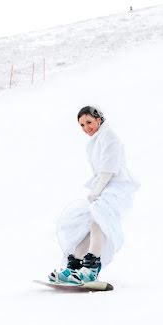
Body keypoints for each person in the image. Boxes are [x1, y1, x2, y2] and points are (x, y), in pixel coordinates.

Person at [49, 106, 139, 284]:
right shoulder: (97, 139)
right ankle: (74, 265)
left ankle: (91, 268)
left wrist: (97, 190)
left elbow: (109, 168)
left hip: (115, 188)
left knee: (97, 221)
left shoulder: (109, 137)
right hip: (104, 188)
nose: (86, 128)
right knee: (88, 225)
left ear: (99, 119)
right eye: (82, 125)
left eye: (89, 122)